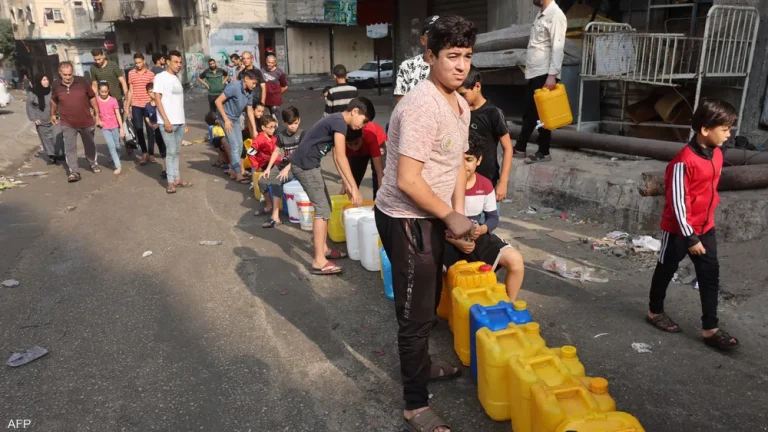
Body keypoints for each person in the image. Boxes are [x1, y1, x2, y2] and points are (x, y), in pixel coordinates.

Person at [374, 15, 476, 432]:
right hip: (405, 218)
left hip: (432, 215)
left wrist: (457, 214)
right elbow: (408, 180)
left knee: (430, 302)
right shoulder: (421, 106)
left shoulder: (460, 104)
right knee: (415, 316)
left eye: (467, 56)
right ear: (430, 56)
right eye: (452, 56)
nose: (461, 66)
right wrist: (449, 215)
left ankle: (424, 365)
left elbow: (455, 165)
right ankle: (415, 405)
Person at [646, 99, 740, 351]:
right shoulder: (682, 162)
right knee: (666, 268)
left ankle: (710, 328)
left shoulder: (717, 153)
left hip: (705, 227)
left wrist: (702, 229)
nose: (729, 134)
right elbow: (678, 202)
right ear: (705, 129)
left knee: (710, 275)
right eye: (725, 129)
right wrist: (690, 237)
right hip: (679, 230)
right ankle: (655, 311)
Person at [290, 97, 373, 275]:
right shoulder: (339, 122)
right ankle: (319, 260)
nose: (363, 125)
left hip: (309, 165)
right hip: (305, 166)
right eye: (364, 120)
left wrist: (347, 184)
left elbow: (336, 157)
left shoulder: (337, 121)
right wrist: (355, 188)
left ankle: (324, 249)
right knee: (322, 211)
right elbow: (342, 157)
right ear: (355, 111)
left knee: (325, 206)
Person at [444, 133, 525, 301]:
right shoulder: (443, 184)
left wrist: (481, 229)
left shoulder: (485, 185)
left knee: (516, 261)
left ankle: (509, 306)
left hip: (476, 236)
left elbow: (493, 218)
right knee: (430, 268)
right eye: (459, 160)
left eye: (469, 160)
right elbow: (434, 222)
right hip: (446, 238)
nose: (463, 166)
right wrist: (456, 241)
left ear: (479, 160)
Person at [512, 0, 567, 164]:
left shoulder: (556, 15)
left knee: (542, 115)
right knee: (531, 112)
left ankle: (543, 151)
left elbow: (558, 47)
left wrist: (552, 75)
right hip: (536, 72)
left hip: (545, 74)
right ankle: (521, 147)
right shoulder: (542, 14)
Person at [457, 66, 514, 201]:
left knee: (488, 215)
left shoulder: (493, 113)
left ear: (477, 86)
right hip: (460, 179)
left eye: (463, 94)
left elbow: (508, 148)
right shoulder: (458, 111)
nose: (459, 99)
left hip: (487, 182)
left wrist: (503, 183)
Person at [50, 61, 102, 183]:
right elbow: (53, 100)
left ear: (72, 72)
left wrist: (97, 113)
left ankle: (93, 163)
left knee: (90, 144)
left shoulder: (82, 82)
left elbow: (92, 97)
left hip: (86, 121)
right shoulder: (56, 85)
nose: (68, 77)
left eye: (69, 74)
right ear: (60, 73)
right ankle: (74, 171)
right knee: (70, 147)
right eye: (65, 75)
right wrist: (52, 114)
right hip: (67, 123)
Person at [257, 106, 304, 225]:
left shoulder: (303, 134)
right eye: (290, 124)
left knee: (277, 182)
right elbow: (276, 151)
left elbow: (300, 155)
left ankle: (275, 216)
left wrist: (286, 169)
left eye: (295, 123)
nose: (293, 126)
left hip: (296, 165)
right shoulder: (282, 135)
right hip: (283, 164)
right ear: (284, 123)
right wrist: (268, 169)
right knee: (262, 181)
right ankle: (269, 206)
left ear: (299, 120)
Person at [154, 50, 192, 193]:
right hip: (167, 123)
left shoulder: (177, 77)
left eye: (180, 62)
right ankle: (170, 182)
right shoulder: (160, 77)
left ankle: (177, 179)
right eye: (176, 62)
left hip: (179, 121)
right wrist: (166, 120)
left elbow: (178, 102)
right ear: (168, 62)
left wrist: (183, 120)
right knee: (170, 152)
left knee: (176, 152)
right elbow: (157, 100)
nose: (179, 65)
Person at [214, 69, 260, 184]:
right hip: (225, 118)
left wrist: (254, 129)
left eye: (256, 84)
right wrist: (226, 120)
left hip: (236, 118)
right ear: (246, 79)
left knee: (239, 145)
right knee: (234, 145)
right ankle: (238, 174)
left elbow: (250, 110)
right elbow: (218, 101)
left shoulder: (249, 91)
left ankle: (233, 170)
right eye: (253, 83)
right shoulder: (234, 87)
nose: (254, 86)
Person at [393, 15, 439, 104]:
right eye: (432, 36)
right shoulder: (407, 67)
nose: (437, 40)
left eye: (441, 36)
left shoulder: (452, 67)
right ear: (423, 40)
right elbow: (400, 102)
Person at [340, 121, 386, 200]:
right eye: (350, 144)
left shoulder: (371, 137)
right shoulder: (342, 142)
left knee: (377, 175)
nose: (354, 147)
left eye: (356, 143)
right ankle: (352, 200)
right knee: (353, 176)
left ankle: (377, 201)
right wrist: (345, 184)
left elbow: (379, 172)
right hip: (362, 148)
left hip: (378, 143)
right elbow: (345, 168)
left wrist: (381, 198)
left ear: (362, 136)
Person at [125, 53, 157, 165]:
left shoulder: (151, 74)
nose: (138, 65)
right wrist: (127, 107)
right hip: (136, 105)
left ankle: (151, 154)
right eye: (136, 63)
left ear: (144, 61)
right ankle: (144, 153)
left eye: (139, 62)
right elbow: (130, 91)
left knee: (150, 130)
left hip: (148, 105)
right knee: (138, 130)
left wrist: (156, 105)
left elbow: (154, 91)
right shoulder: (131, 74)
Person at [26, 74, 61, 165]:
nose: (46, 82)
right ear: (39, 81)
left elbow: (58, 102)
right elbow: (29, 106)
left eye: (47, 79)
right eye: (44, 80)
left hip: (53, 118)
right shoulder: (32, 93)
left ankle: (59, 154)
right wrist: (34, 118)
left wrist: (58, 114)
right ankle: (52, 156)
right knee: (46, 139)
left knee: (56, 137)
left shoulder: (51, 91)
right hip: (40, 120)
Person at [95, 82, 126, 175]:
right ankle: (118, 166)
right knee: (111, 146)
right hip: (104, 128)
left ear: (108, 91)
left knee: (117, 146)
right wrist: (98, 121)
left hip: (115, 126)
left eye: (106, 92)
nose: (104, 94)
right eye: (102, 92)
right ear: (99, 91)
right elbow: (95, 112)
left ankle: (116, 155)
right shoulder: (96, 100)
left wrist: (121, 128)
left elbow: (118, 114)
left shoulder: (113, 100)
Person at [89, 49, 128, 114]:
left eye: (99, 59)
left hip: (116, 98)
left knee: (119, 118)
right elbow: (94, 85)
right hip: (103, 100)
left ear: (103, 55)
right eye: (95, 60)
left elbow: (123, 81)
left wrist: (126, 98)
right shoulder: (93, 68)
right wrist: (94, 100)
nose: (97, 62)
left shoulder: (113, 65)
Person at [143, 82, 168, 178]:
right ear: (147, 93)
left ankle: (166, 168)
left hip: (164, 128)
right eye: (150, 92)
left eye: (154, 91)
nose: (152, 94)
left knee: (167, 148)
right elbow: (146, 116)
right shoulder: (147, 106)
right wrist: (150, 124)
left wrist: (159, 124)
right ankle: (165, 168)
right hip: (156, 130)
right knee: (162, 149)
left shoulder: (162, 103)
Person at [262, 53, 288, 123]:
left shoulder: (279, 73)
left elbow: (285, 87)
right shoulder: (262, 70)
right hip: (265, 100)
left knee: (275, 120)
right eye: (268, 62)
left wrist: (277, 94)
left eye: (272, 63)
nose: (270, 64)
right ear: (266, 61)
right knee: (266, 120)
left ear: (275, 63)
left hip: (275, 101)